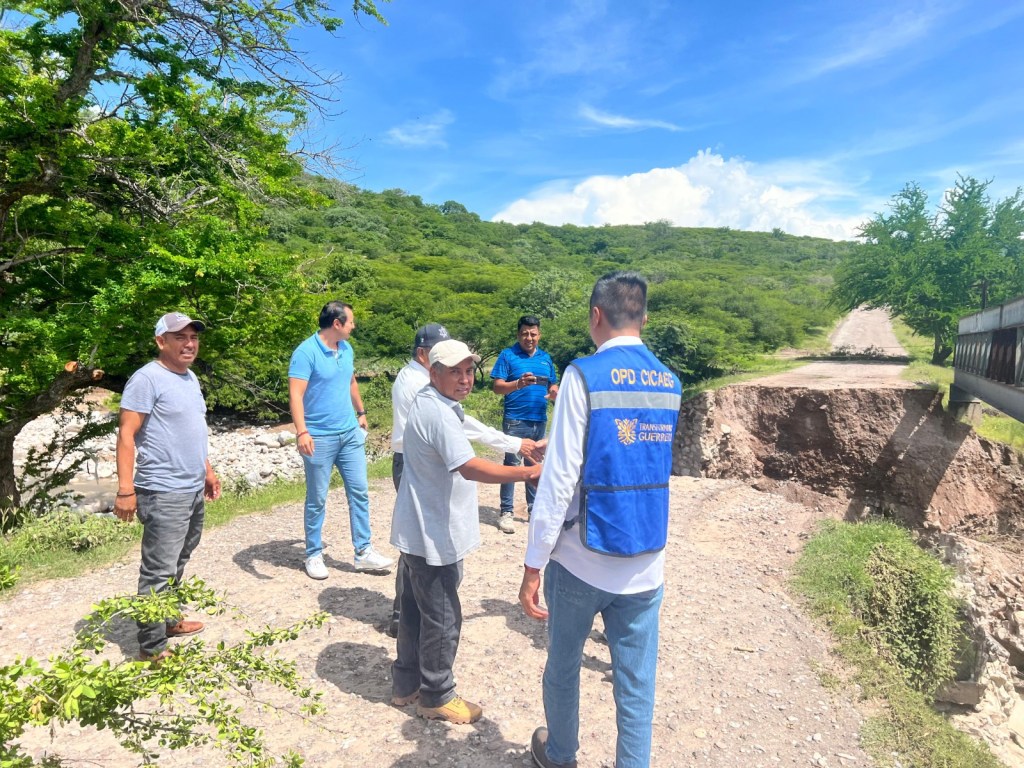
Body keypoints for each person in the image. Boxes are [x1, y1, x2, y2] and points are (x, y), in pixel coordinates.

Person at [518, 272, 682, 768]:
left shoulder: (582, 375)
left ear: (596, 316)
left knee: (564, 667)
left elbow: (561, 478)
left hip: (582, 559)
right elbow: (635, 457)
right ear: (644, 319)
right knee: (636, 683)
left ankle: (560, 755)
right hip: (646, 559)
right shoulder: (670, 381)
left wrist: (533, 562)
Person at [390, 339, 543, 725]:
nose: (464, 379)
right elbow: (470, 467)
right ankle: (437, 695)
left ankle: (406, 683)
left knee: (412, 609)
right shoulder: (437, 412)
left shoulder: (434, 403)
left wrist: (517, 443)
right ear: (433, 371)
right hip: (433, 535)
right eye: (454, 371)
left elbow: (472, 428)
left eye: (469, 371)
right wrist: (526, 473)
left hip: (416, 530)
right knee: (442, 615)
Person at [114, 311, 222, 663]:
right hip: (162, 490)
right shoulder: (147, 379)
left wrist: (206, 470)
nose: (189, 344)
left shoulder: (189, 378)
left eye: (193, 337)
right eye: (180, 337)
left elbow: (192, 429)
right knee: (158, 569)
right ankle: (152, 647)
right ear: (161, 341)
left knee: (180, 558)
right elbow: (127, 435)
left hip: (190, 487)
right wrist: (125, 490)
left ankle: (168, 621)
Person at [289, 301, 393, 580]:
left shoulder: (346, 349)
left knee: (359, 492)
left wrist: (361, 412)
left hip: (349, 434)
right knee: (317, 498)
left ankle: (363, 552)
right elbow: (296, 395)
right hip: (318, 437)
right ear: (337, 324)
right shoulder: (306, 352)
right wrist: (302, 432)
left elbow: (350, 381)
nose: (354, 326)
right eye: (351, 322)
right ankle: (313, 554)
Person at [490, 315, 559, 533]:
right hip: (515, 420)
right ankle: (506, 512)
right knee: (511, 465)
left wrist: (555, 392)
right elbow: (497, 386)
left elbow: (552, 385)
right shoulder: (507, 355)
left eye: (533, 333)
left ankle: (534, 509)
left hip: (539, 419)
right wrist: (518, 384)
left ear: (539, 334)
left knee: (536, 465)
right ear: (518, 334)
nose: (529, 337)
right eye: (525, 333)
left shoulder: (546, 359)